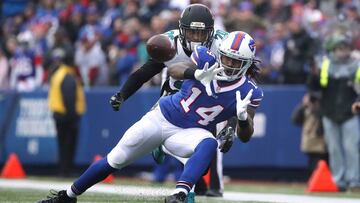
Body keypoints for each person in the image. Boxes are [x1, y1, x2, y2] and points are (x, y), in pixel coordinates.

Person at [37, 31, 263, 203]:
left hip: (190, 132)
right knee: (115, 159)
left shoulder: (249, 91)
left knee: (209, 143)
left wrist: (242, 118)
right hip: (163, 117)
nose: (230, 64)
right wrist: (194, 73)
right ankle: (68, 196)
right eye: (227, 58)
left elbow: (245, 136)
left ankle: (179, 194)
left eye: (236, 61)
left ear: (247, 63)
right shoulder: (205, 58)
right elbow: (174, 70)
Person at [110, 4, 233, 198]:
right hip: (175, 95)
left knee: (208, 143)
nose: (197, 38)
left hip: (207, 96)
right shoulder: (170, 43)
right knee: (176, 137)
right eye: (192, 32)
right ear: (182, 30)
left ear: (211, 32)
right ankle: (167, 147)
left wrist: (232, 123)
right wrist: (122, 94)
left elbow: (235, 82)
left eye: (202, 34)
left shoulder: (222, 43)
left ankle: (207, 184)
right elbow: (146, 72)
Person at [308, 34, 360, 191]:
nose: (343, 52)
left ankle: (354, 180)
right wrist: (313, 76)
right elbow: (315, 88)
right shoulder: (324, 65)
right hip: (329, 111)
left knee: (351, 148)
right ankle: (338, 180)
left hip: (349, 113)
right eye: (340, 49)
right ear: (333, 50)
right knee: (334, 149)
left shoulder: (356, 65)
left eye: (345, 48)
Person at [48, 48, 86, 177]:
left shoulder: (58, 73)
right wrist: (73, 117)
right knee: (68, 143)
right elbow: (69, 98)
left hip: (59, 114)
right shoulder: (67, 76)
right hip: (67, 115)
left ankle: (63, 169)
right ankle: (66, 170)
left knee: (63, 143)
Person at [291, 92, 328, 175]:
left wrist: (317, 105)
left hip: (323, 141)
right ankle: (314, 181)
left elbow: (321, 116)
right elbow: (295, 120)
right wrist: (303, 105)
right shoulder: (305, 108)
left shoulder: (324, 107)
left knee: (324, 163)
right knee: (313, 165)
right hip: (311, 141)